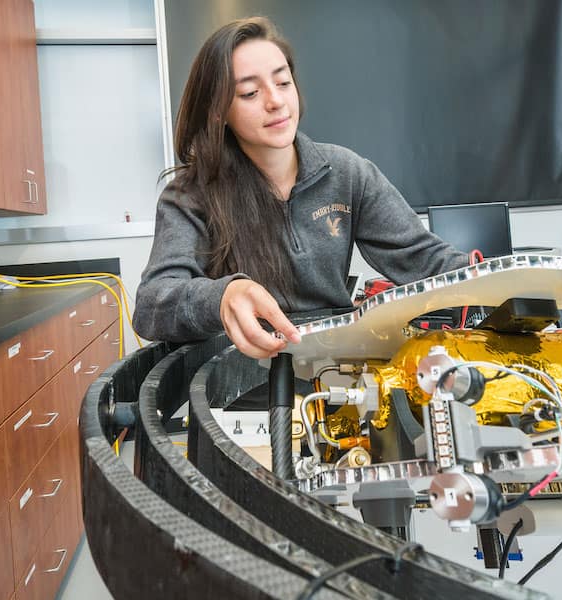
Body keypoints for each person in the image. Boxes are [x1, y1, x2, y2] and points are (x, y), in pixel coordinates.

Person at [134, 17, 468, 359]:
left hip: (335, 370)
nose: (275, 101)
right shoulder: (191, 195)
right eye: (250, 92)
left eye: (282, 82)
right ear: (219, 112)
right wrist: (222, 297)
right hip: (241, 384)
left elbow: (425, 259)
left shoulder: (346, 172)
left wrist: (510, 279)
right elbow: (152, 305)